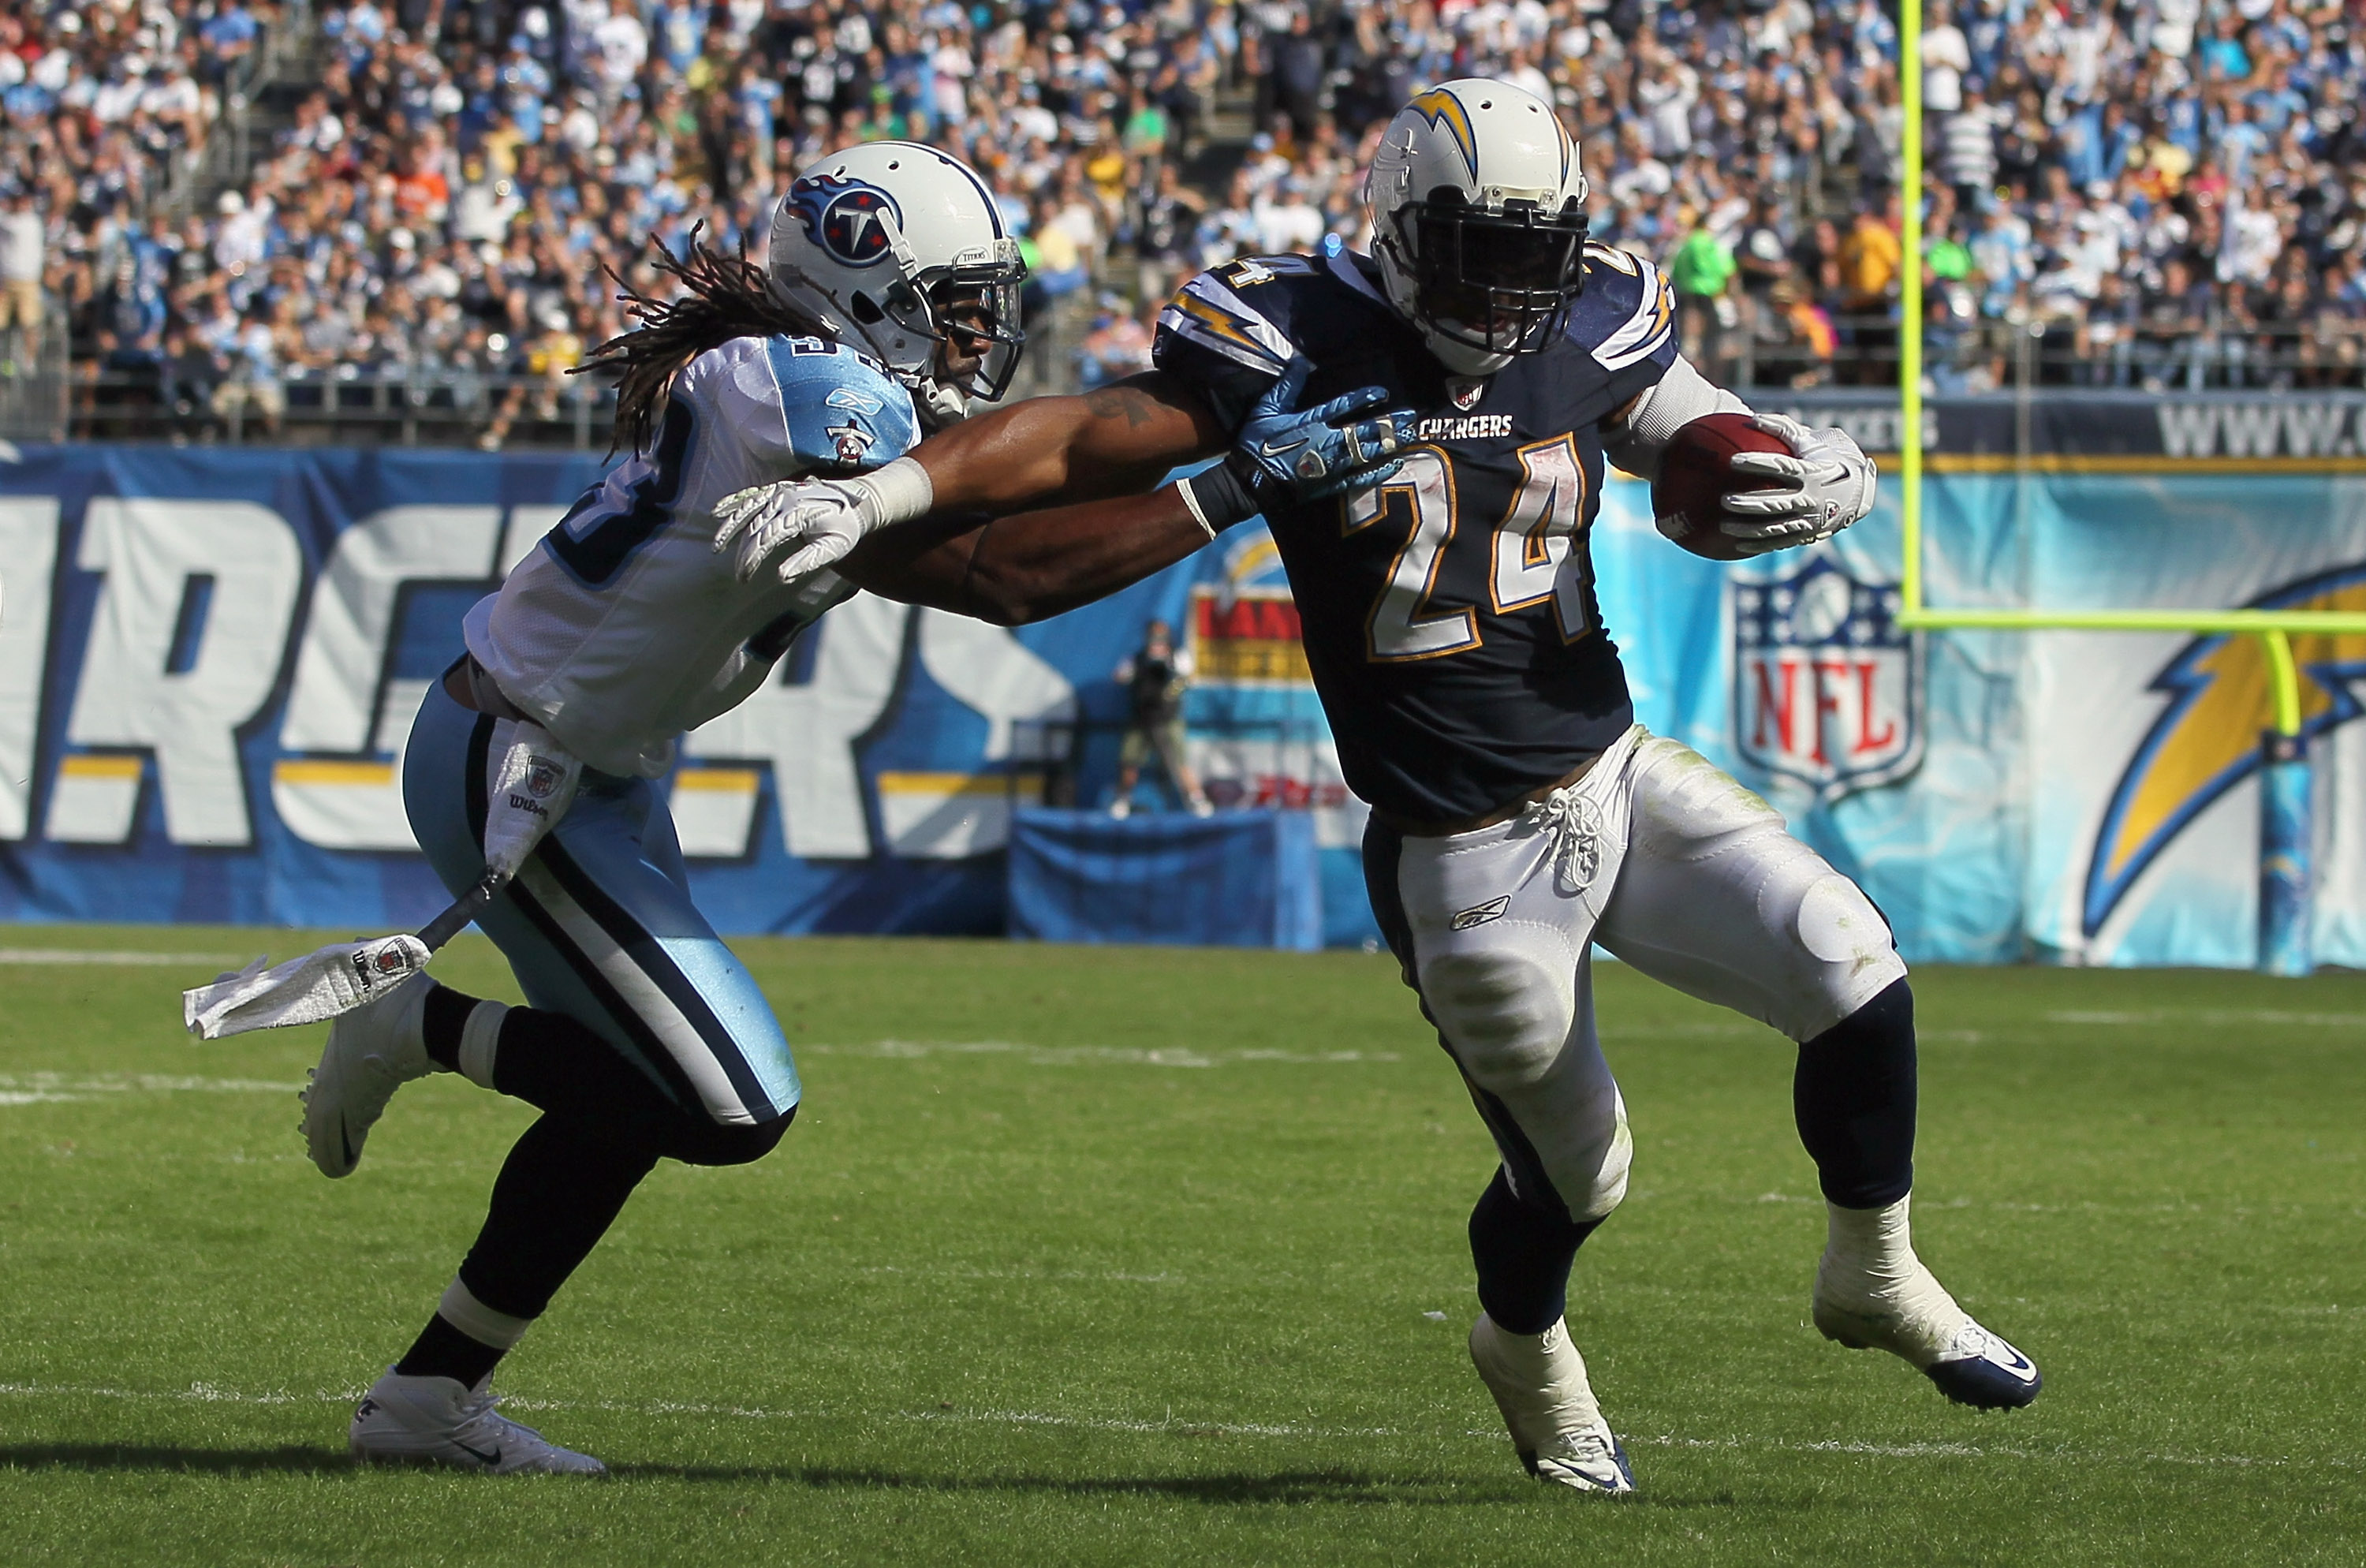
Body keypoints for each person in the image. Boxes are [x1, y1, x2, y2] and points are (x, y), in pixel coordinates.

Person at [730, 79, 2043, 1498]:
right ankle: (1525, 1345)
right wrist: (886, 493)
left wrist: (1814, 466)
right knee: (1585, 1169)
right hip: (1460, 850)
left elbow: (1695, 430)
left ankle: (1879, 1269)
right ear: (1404, 227)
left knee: (1848, 958)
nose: (1506, 287)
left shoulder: (1593, 309)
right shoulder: (1288, 333)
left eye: (1531, 250)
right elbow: (1082, 434)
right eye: (1478, 247)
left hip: (1610, 769)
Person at [1110, 618, 1210, 818]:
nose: (1157, 639)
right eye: (1153, 635)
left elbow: (1187, 678)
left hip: (1168, 720)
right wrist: (1142, 668)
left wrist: (1170, 670)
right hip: (1142, 720)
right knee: (1130, 762)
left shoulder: (1177, 657)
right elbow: (1120, 676)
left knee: (1180, 763)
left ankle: (1197, 801)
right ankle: (1122, 799)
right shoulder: (1136, 659)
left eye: (1161, 635)